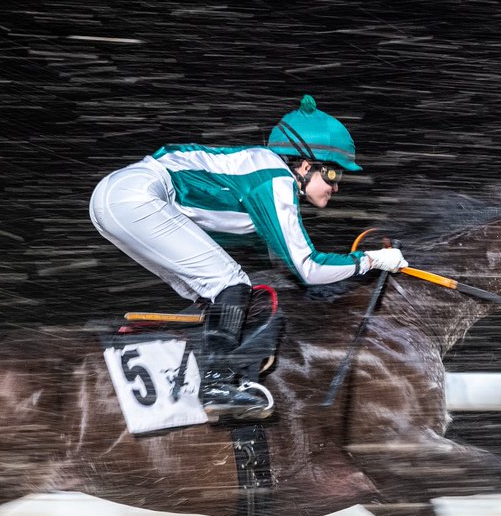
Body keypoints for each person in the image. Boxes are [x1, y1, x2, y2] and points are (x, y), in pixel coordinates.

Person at [89, 94, 408, 420]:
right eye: (333, 175)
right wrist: (371, 260)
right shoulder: (276, 179)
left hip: (114, 198)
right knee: (231, 282)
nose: (336, 187)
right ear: (306, 166)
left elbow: (284, 266)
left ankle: (191, 372)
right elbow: (308, 268)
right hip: (136, 196)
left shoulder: (263, 174)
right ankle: (215, 384)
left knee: (209, 292)